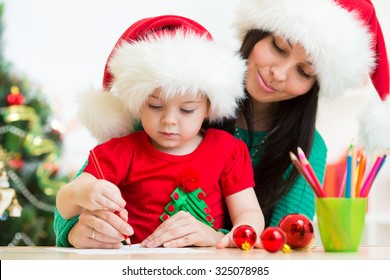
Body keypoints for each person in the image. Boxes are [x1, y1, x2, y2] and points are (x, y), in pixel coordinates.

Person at [54, 0, 389, 249]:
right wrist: (77, 231)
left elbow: (281, 248)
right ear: (255, 34)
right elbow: (71, 205)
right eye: (278, 47)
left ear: (316, 86)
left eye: (304, 71)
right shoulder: (166, 100)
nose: (279, 73)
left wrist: (215, 238)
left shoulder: (306, 150)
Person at [55, 15, 264, 249]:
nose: (169, 121)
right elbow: (64, 203)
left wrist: (236, 236)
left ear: (208, 108)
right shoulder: (122, 151)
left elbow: (248, 212)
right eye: (155, 106)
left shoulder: (227, 150)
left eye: (186, 110)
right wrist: (83, 192)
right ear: (137, 103)